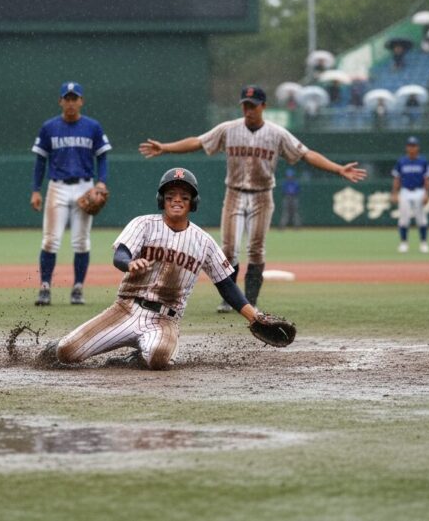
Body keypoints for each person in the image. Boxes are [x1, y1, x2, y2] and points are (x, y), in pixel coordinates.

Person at [139, 85, 367, 311]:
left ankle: (251, 300)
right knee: (228, 249)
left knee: (256, 249)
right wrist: (166, 148)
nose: (248, 110)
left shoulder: (277, 133)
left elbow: (306, 154)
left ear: (263, 106)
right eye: (245, 106)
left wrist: (338, 169)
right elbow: (198, 141)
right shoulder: (229, 129)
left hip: (262, 195)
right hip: (235, 193)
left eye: (253, 106)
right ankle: (230, 299)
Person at [41, 168, 283, 370]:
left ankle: (136, 358)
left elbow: (226, 284)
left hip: (164, 320)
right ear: (161, 200)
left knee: (159, 359)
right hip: (125, 309)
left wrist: (254, 316)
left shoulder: (204, 241)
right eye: (171, 195)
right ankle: (62, 343)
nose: (177, 199)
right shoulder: (143, 224)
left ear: (193, 203)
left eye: (184, 196)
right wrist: (129, 263)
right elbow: (120, 254)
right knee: (66, 353)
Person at [30, 81, 111, 306]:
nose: (71, 102)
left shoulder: (93, 127)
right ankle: (45, 287)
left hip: (85, 186)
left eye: (75, 98)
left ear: (81, 101)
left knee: (81, 242)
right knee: (50, 241)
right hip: (57, 186)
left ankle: (78, 288)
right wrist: (36, 190)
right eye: (67, 98)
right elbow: (40, 161)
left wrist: (102, 183)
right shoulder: (49, 127)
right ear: (60, 101)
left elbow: (102, 157)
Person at [391, 136, 429, 253]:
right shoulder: (402, 161)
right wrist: (394, 193)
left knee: (422, 219)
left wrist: (426, 193)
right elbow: (396, 178)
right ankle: (404, 243)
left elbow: (427, 179)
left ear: (417, 147)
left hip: (419, 191)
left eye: (414, 146)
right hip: (405, 191)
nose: (412, 148)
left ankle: (423, 243)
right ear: (406, 147)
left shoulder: (423, 161)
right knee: (403, 219)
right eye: (410, 146)